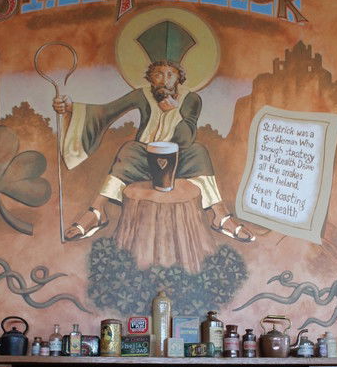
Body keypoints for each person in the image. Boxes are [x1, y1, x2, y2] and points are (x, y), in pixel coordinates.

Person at [53, 21, 255, 243]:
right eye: (159, 74)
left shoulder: (191, 99)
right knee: (129, 149)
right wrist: (70, 108)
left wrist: (175, 111)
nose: (165, 80)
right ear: (150, 77)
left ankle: (220, 216)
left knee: (199, 151)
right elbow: (106, 111)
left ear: (179, 77)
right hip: (144, 159)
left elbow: (186, 138)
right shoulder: (142, 94)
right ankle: (97, 212)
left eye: (170, 74)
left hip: (178, 160)